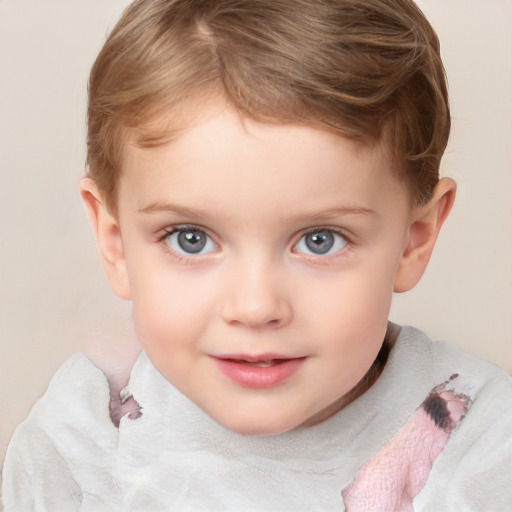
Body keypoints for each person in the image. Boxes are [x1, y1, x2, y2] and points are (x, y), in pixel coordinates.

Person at [1, 0, 511, 510]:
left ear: (413, 238)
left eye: (320, 240)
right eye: (190, 238)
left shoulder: (477, 443)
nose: (254, 306)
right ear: (115, 242)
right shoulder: (82, 445)